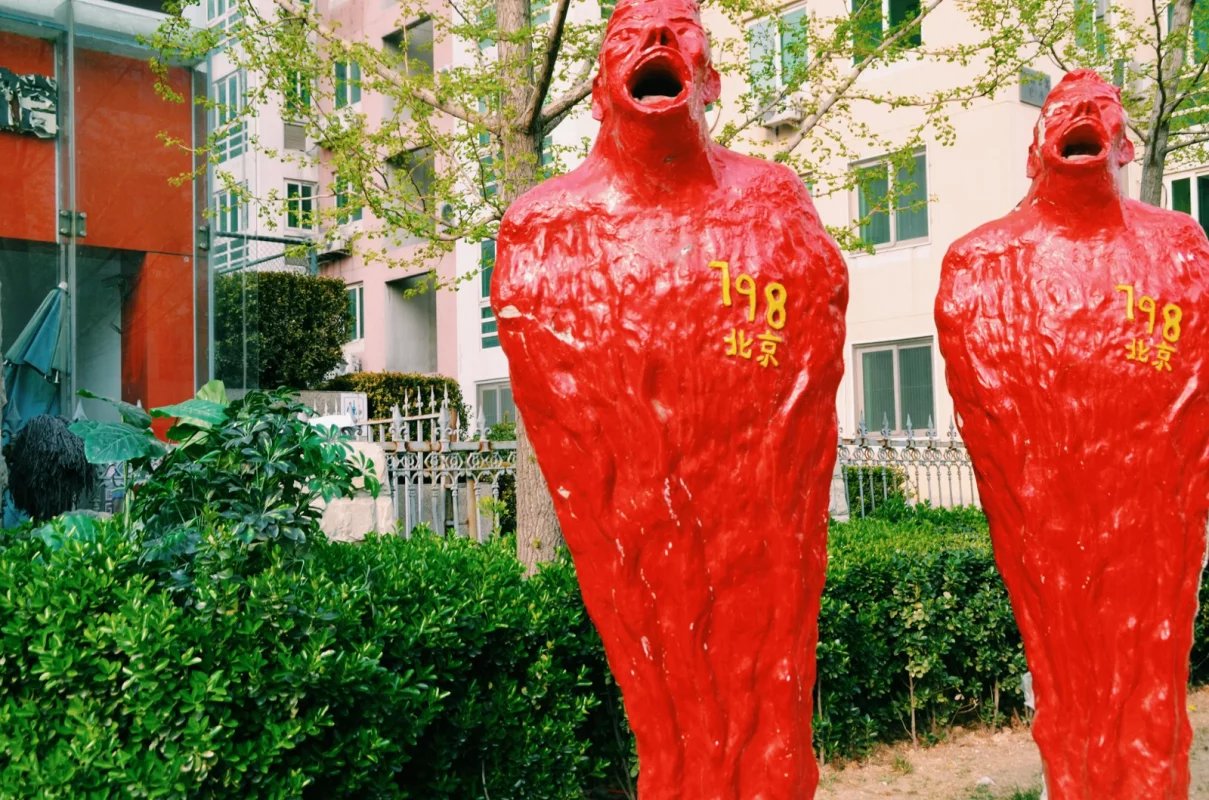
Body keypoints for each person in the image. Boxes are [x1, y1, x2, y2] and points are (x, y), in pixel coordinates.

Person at [492, 0, 847, 796]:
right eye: (627, 35)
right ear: (597, 90)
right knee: (667, 702)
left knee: (767, 710)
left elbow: (806, 372)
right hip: (638, 530)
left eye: (681, 32)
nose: (656, 40)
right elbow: (559, 414)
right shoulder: (541, 224)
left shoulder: (772, 199)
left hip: (753, 526)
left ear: (710, 80)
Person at [937, 69, 1209, 799]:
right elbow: (984, 407)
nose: (1084, 113)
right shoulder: (981, 260)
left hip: (1151, 516)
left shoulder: (1179, 245)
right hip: (1049, 516)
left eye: (1102, 108)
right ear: (1034, 151)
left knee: (1150, 671)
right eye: (1061, 109)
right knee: (1066, 668)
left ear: (1125, 147)